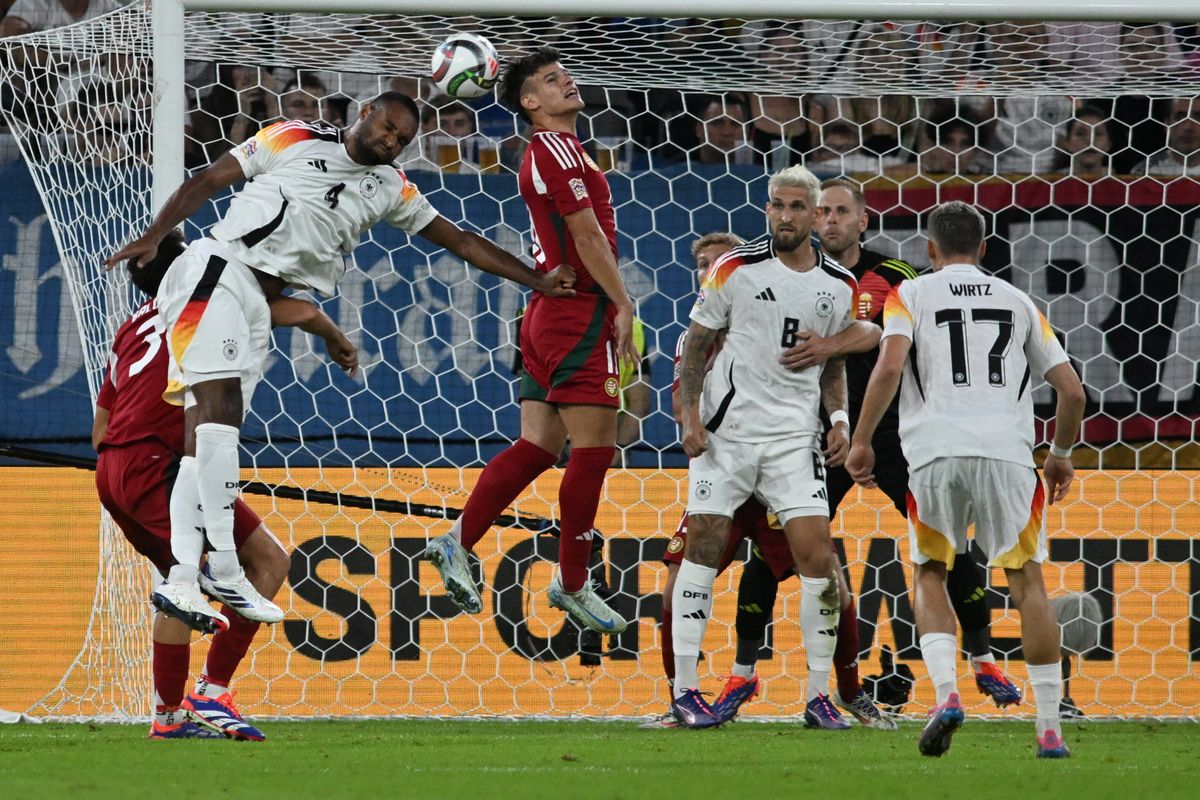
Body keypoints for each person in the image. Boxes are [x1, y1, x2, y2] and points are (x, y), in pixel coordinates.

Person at [108, 91, 577, 634]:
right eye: (389, 128)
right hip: (220, 270)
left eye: (403, 141)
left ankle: (193, 576)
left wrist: (536, 279)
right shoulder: (293, 135)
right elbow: (210, 179)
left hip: (258, 303)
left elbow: (465, 243)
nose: (393, 142)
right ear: (365, 112)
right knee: (215, 422)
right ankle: (211, 573)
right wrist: (155, 232)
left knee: (208, 435)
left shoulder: (391, 188)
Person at [724, 179, 1023, 723]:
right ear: (813, 219)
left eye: (843, 212)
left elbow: (894, 341)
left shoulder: (898, 278)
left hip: (891, 435)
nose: (831, 220)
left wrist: (834, 346)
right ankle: (742, 674)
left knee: (946, 539)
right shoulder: (784, 276)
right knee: (775, 550)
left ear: (864, 221)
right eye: (825, 212)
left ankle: (984, 658)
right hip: (812, 434)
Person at [847, 200, 1085, 759]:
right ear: (982, 249)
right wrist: (1061, 452)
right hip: (1008, 455)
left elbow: (888, 364)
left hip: (934, 453)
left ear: (930, 249)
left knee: (931, 569)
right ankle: (1049, 728)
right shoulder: (1019, 300)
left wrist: (861, 440)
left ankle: (947, 696)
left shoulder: (911, 294)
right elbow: (1072, 392)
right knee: (1026, 581)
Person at [94, 231, 355, 740]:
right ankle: (211, 692)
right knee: (266, 563)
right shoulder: (207, 298)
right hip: (159, 466)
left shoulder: (132, 328)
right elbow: (299, 312)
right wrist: (333, 334)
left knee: (181, 583)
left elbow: (101, 429)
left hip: (118, 467)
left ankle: (169, 716)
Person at [424, 48, 637, 634]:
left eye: (564, 74)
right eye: (550, 79)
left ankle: (458, 539)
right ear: (529, 103)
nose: (566, 81)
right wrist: (622, 302)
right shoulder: (555, 149)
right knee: (594, 450)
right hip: (579, 314)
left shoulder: (552, 151)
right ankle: (572, 581)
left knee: (539, 446)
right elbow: (587, 236)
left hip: (548, 312)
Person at [647, 229, 887, 731]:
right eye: (703, 265)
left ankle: (846, 692)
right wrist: (694, 415)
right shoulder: (694, 334)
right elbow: (679, 397)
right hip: (728, 459)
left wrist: (837, 418)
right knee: (675, 586)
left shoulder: (789, 310)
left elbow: (861, 339)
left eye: (721, 263)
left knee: (831, 582)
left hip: (785, 459)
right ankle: (681, 696)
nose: (713, 273)